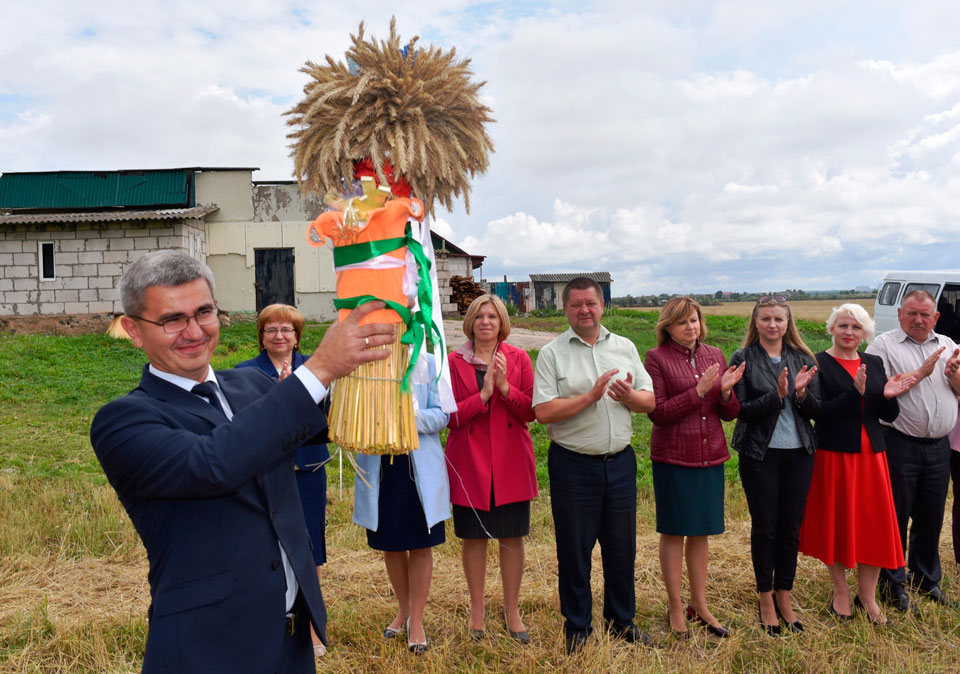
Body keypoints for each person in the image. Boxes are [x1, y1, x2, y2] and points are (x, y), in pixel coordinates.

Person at [90, 250, 394, 674]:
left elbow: (330, 425)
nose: (193, 331)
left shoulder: (251, 384)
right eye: (172, 319)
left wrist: (392, 349)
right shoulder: (124, 421)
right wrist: (319, 368)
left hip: (292, 644)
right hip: (209, 649)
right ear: (133, 330)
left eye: (204, 312)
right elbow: (214, 462)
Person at [533, 277, 656, 654]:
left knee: (622, 548)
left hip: (619, 464)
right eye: (576, 304)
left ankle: (621, 621)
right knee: (574, 549)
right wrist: (590, 397)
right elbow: (543, 411)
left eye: (591, 303)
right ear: (565, 308)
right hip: (573, 466)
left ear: (603, 305)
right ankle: (578, 626)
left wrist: (629, 396)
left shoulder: (625, 347)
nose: (584, 310)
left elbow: (649, 401)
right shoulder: (552, 353)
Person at [798, 303, 914, 624]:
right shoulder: (818, 363)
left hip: (872, 457)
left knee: (873, 526)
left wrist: (889, 397)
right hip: (834, 456)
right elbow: (818, 411)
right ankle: (841, 593)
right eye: (843, 326)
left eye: (856, 328)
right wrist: (856, 393)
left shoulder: (874, 363)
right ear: (832, 328)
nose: (849, 332)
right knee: (836, 524)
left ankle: (868, 596)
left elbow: (886, 416)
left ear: (865, 334)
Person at [644, 297, 743, 639]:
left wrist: (727, 393)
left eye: (695, 320)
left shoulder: (715, 354)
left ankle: (699, 605)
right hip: (673, 458)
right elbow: (657, 413)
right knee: (673, 532)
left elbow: (728, 413)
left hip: (710, 455)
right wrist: (698, 391)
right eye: (683, 322)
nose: (691, 327)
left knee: (701, 533)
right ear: (668, 327)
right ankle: (675, 606)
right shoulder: (656, 358)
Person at [235, 304, 330, 655]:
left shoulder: (315, 369)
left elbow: (328, 421)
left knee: (311, 551)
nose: (279, 336)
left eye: (286, 330)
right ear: (261, 337)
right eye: (271, 330)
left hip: (308, 471)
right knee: (269, 549)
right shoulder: (244, 374)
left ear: (297, 336)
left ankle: (312, 629)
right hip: (264, 475)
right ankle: (268, 623)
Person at [446, 294, 538, 643]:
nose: (486, 322)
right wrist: (482, 397)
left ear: (502, 323)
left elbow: (531, 411)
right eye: (479, 316)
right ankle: (477, 609)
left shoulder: (519, 358)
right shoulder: (453, 361)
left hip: (511, 460)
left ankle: (512, 609)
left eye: (493, 317)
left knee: (512, 537)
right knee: (474, 538)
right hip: (469, 461)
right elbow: (449, 416)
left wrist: (503, 388)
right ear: (470, 322)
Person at [729, 295, 820, 636]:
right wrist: (777, 396)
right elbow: (740, 409)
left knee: (790, 529)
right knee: (765, 527)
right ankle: (765, 597)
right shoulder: (743, 358)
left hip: (799, 454)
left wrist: (799, 397)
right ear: (755, 322)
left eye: (778, 319)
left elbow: (816, 410)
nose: (772, 325)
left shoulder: (802, 358)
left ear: (787, 323)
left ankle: (785, 594)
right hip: (760, 455)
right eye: (765, 319)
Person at [867, 289, 960, 612]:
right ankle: (892, 583)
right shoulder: (883, 346)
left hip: (939, 447)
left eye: (925, 314)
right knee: (895, 516)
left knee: (931, 516)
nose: (918, 320)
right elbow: (875, 391)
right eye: (911, 314)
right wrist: (919, 374)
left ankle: (926, 578)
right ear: (900, 315)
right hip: (899, 444)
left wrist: (956, 379)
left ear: (936, 318)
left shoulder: (948, 345)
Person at [352, 353, 450, 654]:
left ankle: (417, 620)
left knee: (421, 543)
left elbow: (443, 414)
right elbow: (352, 411)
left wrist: (404, 416)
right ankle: (404, 609)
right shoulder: (364, 362)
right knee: (391, 545)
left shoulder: (430, 362)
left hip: (416, 464)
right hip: (380, 465)